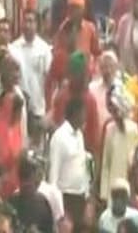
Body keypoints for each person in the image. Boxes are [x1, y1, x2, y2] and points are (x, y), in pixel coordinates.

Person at [47, 97, 90, 228]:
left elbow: (83, 166)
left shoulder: (80, 135)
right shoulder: (59, 137)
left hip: (80, 197)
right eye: (83, 113)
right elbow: (53, 175)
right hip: (65, 198)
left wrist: (87, 194)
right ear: (75, 114)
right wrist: (57, 208)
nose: (85, 117)